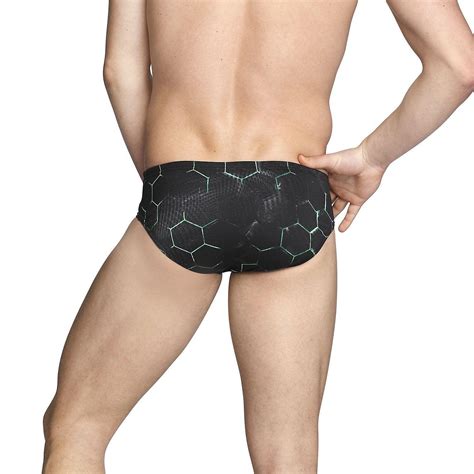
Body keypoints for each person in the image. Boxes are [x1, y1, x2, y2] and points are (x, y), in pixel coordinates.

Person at [42, 1, 473, 472]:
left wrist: (173, 188)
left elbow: (120, 70)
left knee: (78, 428)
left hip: (184, 189)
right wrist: (372, 157)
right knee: (286, 454)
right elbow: (458, 66)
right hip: (292, 199)